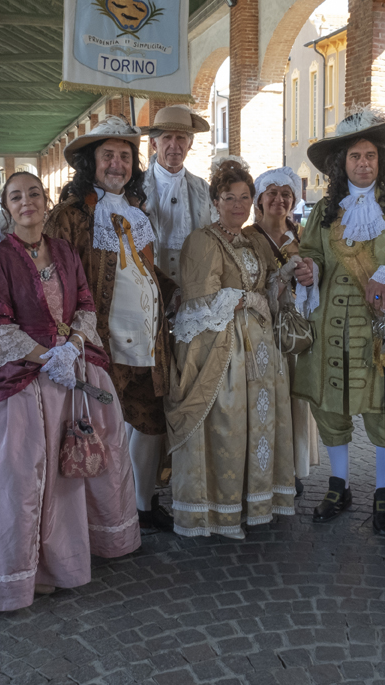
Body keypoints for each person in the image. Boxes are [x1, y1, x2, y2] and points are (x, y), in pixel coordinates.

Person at [0, 171, 140, 610]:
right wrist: (45, 356)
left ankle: (70, 555)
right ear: (7, 206)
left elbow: (86, 304)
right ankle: (27, 569)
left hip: (71, 372)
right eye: (16, 196)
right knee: (24, 478)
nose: (27, 202)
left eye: (33, 193)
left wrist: (72, 346)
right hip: (22, 383)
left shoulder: (64, 251)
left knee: (70, 473)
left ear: (45, 199)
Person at [292, 108, 385, 533]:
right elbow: (312, 254)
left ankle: (382, 489)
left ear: (382, 160)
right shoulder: (322, 212)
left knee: (384, 412)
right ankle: (338, 484)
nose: (363, 163)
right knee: (329, 408)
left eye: (370, 155)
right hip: (328, 327)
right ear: (342, 163)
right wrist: (309, 270)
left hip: (381, 330)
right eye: (355, 156)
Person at [46, 116, 175, 534]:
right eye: (108, 156)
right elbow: (53, 281)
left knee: (152, 420)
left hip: (148, 344)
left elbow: (146, 273)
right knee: (100, 428)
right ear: (91, 162)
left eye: (124, 156)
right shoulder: (70, 217)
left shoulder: (137, 213)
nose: (117, 164)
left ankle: (140, 502)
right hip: (101, 345)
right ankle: (99, 516)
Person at [165, 159, 295, 538]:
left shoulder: (252, 239)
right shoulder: (202, 241)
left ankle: (252, 503)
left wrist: (282, 278)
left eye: (244, 197)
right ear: (215, 201)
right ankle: (220, 512)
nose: (238, 205)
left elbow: (267, 287)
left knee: (257, 426)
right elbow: (198, 303)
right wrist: (246, 298)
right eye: (229, 197)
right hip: (224, 352)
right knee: (228, 425)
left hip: (259, 349)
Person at [250, 166, 318, 493]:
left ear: (294, 200)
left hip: (295, 330)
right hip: (260, 328)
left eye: (286, 194)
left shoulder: (302, 237)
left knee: (295, 397)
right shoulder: (248, 237)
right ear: (260, 199)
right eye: (271, 193)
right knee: (266, 398)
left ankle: (293, 468)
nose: (278, 199)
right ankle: (267, 467)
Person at [141, 105, 213, 283]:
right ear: (154, 143)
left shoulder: (203, 189)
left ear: (190, 144)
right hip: (149, 282)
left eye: (181, 137)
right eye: (167, 137)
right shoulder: (136, 188)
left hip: (193, 283)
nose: (175, 145)